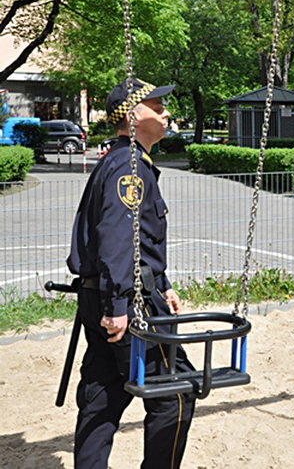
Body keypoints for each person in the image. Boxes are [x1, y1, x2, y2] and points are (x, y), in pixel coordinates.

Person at [67, 78, 196, 469]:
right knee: (175, 392)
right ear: (134, 116)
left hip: (103, 294)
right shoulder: (131, 167)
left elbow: (137, 238)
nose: (166, 113)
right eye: (157, 107)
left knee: (103, 393)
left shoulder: (118, 159)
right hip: (129, 300)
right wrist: (119, 303)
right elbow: (118, 237)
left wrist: (165, 282)